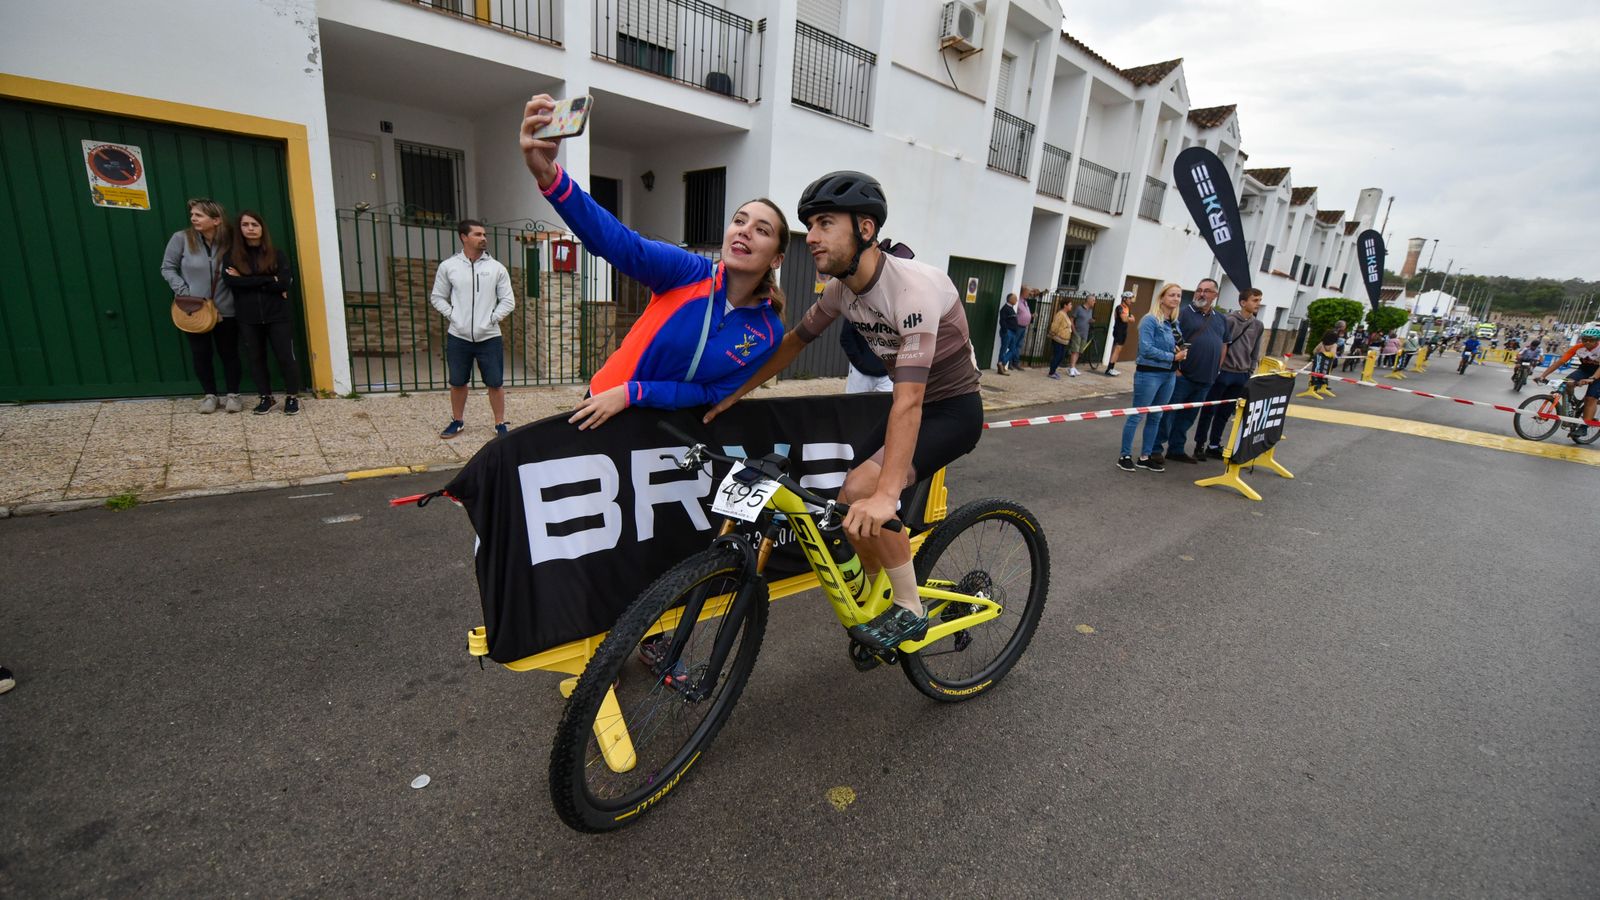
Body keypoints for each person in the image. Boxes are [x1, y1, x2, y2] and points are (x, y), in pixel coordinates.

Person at [705, 170, 982, 653]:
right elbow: (794, 343)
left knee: (869, 493)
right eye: (809, 225)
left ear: (866, 230)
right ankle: (876, 597)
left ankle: (909, 606)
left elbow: (912, 400)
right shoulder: (840, 290)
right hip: (908, 401)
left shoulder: (912, 291)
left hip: (952, 409)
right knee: (851, 497)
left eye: (825, 223)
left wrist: (888, 494)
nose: (810, 236)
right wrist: (736, 392)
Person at [520, 95, 787, 431]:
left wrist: (637, 393)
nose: (744, 231)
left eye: (761, 230)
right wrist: (549, 176)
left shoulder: (768, 331)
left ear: (776, 258)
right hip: (605, 408)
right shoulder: (688, 270)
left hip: (669, 430)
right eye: (739, 221)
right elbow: (619, 244)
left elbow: (712, 391)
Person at [430, 219, 516, 438]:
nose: (483, 238)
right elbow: (437, 297)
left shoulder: (496, 268)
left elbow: (508, 301)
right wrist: (453, 316)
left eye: (484, 234)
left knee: (495, 383)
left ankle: (500, 424)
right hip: (458, 336)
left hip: (489, 337)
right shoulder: (449, 266)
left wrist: (491, 319)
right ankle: (457, 421)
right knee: (458, 382)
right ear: (464, 237)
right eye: (477, 234)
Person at [161, 198, 241, 414]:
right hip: (193, 309)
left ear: (216, 220)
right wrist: (184, 292)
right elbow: (167, 268)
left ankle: (233, 395)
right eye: (192, 215)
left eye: (199, 215)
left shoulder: (231, 240)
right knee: (201, 353)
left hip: (226, 308)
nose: (193, 218)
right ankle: (210, 396)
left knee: (229, 353)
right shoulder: (181, 239)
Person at [222, 210, 301, 416]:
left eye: (254, 224)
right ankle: (266, 396)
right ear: (239, 229)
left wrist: (248, 279)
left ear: (262, 228)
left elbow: (284, 282)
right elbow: (232, 283)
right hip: (248, 317)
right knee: (255, 358)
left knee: (286, 357)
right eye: (245, 225)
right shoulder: (231, 256)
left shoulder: (277, 254)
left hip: (277, 315)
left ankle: (292, 396)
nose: (250, 228)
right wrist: (268, 279)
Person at [1149, 278, 1226, 465]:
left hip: (1206, 378)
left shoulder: (1221, 318)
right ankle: (1155, 449)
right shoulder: (1183, 314)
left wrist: (1217, 369)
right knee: (1169, 414)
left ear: (1215, 295)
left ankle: (1176, 449)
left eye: (1207, 291)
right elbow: (1171, 341)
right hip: (1183, 376)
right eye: (1199, 290)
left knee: (1188, 417)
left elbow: (1224, 345)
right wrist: (1177, 370)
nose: (1201, 294)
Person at [1117, 283, 1186, 472]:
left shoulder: (1174, 322)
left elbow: (1174, 344)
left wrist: (1179, 352)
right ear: (1162, 297)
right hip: (1149, 373)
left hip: (1169, 375)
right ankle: (1125, 455)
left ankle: (1145, 457)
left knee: (1156, 416)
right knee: (1137, 415)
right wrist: (1172, 356)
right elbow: (1146, 349)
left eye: (1179, 296)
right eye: (1172, 295)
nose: (1176, 298)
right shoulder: (1150, 320)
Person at [1194, 288, 1265, 460]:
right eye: (1255, 300)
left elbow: (1255, 351)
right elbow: (1220, 345)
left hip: (1241, 375)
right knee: (1209, 410)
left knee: (1225, 413)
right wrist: (1216, 368)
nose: (1258, 304)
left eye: (1259, 300)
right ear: (1243, 302)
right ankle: (1199, 445)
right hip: (1223, 372)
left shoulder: (1258, 325)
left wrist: (1249, 371)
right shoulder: (1229, 320)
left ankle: (1214, 445)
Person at [1537, 326, 1600, 428]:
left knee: (1590, 399)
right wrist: (1543, 375)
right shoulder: (1578, 347)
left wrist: (1592, 379)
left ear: (1597, 340)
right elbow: (1560, 362)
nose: (1587, 342)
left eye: (1591, 340)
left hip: (1598, 374)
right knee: (1567, 382)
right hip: (1584, 370)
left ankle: (1584, 427)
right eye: (1584, 339)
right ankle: (1572, 401)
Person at [842, 325, 893, 393]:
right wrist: (859, 362)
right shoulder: (856, 314)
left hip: (888, 375)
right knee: (854, 402)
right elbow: (846, 337)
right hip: (860, 373)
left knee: (889, 403)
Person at [1066, 294, 1096, 376]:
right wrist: (1074, 330)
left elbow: (1087, 319)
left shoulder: (1090, 310)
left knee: (1079, 351)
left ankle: (1073, 367)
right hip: (1077, 333)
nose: (1094, 302)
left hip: (1085, 333)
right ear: (1089, 300)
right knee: (1074, 350)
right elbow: (1071, 319)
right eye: (1093, 300)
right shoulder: (1079, 308)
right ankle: (1071, 368)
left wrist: (1091, 321)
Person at [1106, 290, 1134, 376]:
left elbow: (1133, 319)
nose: (1131, 300)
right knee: (1117, 349)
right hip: (1118, 330)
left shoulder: (1127, 308)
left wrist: (1128, 318)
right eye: (1129, 298)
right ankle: (1109, 369)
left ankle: (1112, 368)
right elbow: (1124, 319)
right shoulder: (1120, 307)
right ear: (1124, 298)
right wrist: (1129, 318)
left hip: (1124, 330)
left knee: (1119, 350)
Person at [1046, 297, 1074, 380]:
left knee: (1061, 356)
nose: (1071, 306)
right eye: (1070, 304)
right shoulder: (1060, 314)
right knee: (1057, 355)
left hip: (1064, 340)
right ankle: (1051, 372)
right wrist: (1052, 334)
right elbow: (1055, 325)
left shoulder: (1065, 314)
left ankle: (1053, 370)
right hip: (1058, 339)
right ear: (1065, 305)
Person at [996, 292, 1022, 375]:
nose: (1016, 300)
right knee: (1004, 349)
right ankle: (1001, 366)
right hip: (1008, 332)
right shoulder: (1005, 309)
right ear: (1010, 299)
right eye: (1015, 299)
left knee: (1013, 349)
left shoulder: (1011, 308)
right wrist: (1005, 331)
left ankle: (1002, 363)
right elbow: (1002, 321)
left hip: (1013, 332)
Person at [1310, 329, 1339, 395]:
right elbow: (1333, 354)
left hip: (1319, 362)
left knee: (1316, 373)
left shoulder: (1322, 343)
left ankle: (1314, 386)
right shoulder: (1334, 345)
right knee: (1325, 374)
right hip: (1327, 363)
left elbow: (1314, 351)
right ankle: (1323, 386)